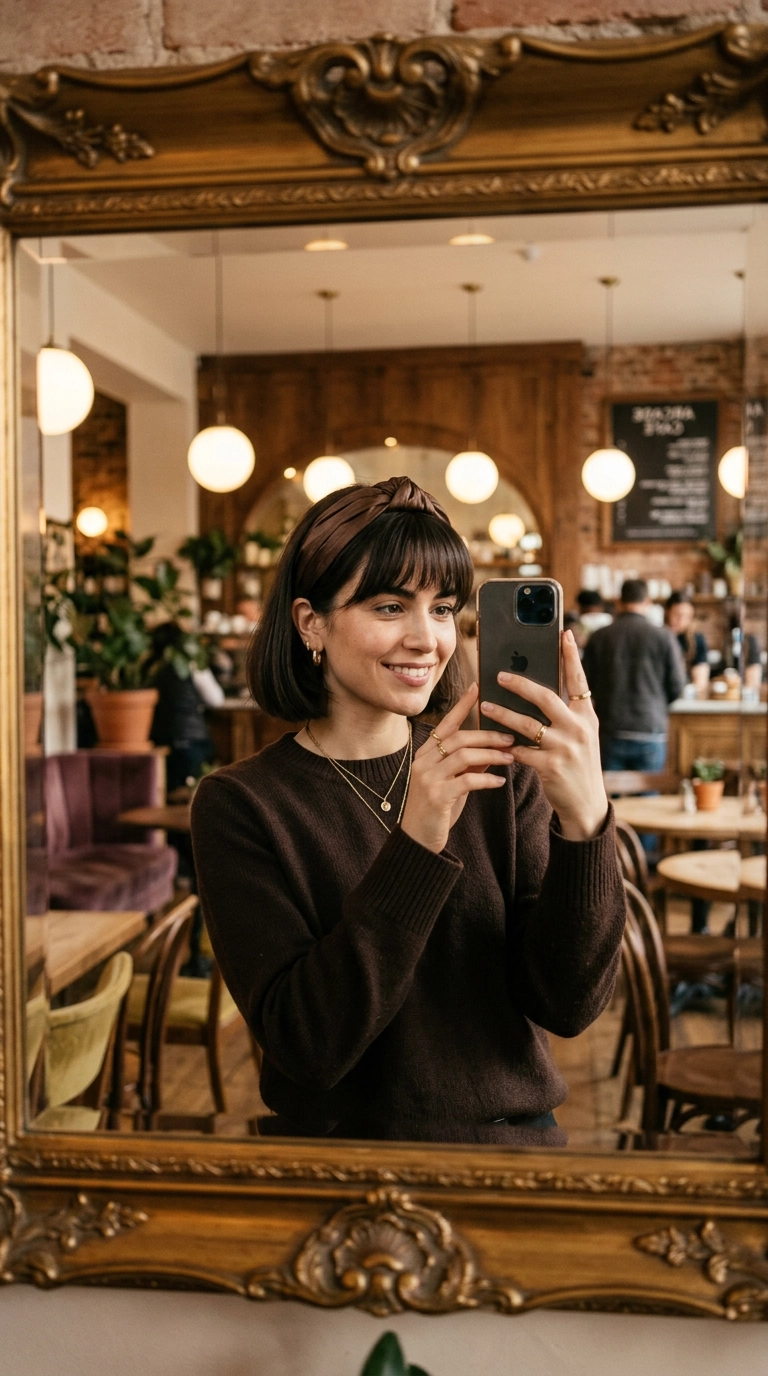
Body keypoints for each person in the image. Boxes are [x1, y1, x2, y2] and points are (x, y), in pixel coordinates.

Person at [190, 477, 625, 1147]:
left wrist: (587, 822)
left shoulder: (500, 774)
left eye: (443, 608)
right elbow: (307, 1046)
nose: (427, 639)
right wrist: (417, 841)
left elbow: (567, 1005)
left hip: (512, 1156)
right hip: (341, 1165)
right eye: (390, 606)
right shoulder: (242, 805)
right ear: (311, 622)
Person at [583, 577, 685, 773]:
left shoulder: (599, 637)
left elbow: (585, 684)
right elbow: (677, 685)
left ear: (619, 602)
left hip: (610, 726)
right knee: (648, 793)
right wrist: (656, 703)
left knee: (607, 792)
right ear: (648, 602)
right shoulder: (664, 637)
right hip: (650, 727)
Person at [665, 591, 709, 694]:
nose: (681, 620)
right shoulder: (658, 638)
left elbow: (701, 679)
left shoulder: (696, 640)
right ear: (667, 613)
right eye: (677, 615)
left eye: (687, 616)